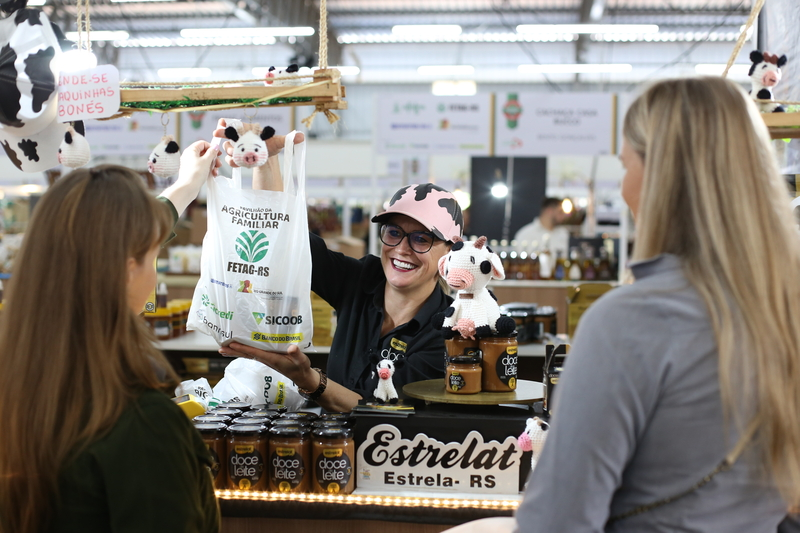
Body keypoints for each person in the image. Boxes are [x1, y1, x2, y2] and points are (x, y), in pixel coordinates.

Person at [445, 77, 800, 532]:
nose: (624, 184)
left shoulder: (630, 323)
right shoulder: (781, 310)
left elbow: (558, 521)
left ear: (660, 177)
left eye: (626, 164)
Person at [0, 156, 222, 533]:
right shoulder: (143, 425)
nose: (153, 273)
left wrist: (187, 185)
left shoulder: (20, 392)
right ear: (124, 269)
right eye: (153, 256)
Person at [210, 121, 463, 412]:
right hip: (326, 445)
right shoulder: (361, 281)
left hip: (390, 452)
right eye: (393, 233)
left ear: (450, 251)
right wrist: (265, 162)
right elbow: (285, 241)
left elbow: (385, 411)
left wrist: (308, 379)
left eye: (422, 239)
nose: (402, 249)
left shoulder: (447, 333)